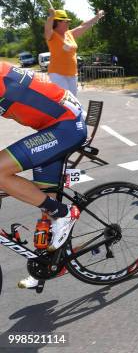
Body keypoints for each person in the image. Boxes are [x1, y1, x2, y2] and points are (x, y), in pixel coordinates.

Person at [0, 62, 86, 289]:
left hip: (65, 126)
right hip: (55, 124)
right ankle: (49, 264)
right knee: (45, 201)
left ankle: (65, 213)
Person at [44, 8, 105, 96]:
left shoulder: (69, 34)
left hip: (72, 74)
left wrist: (98, 16)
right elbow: (47, 30)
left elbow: (84, 25)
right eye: (66, 21)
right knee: (63, 101)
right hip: (57, 74)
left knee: (73, 100)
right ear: (57, 22)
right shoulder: (52, 35)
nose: (69, 23)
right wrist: (51, 17)